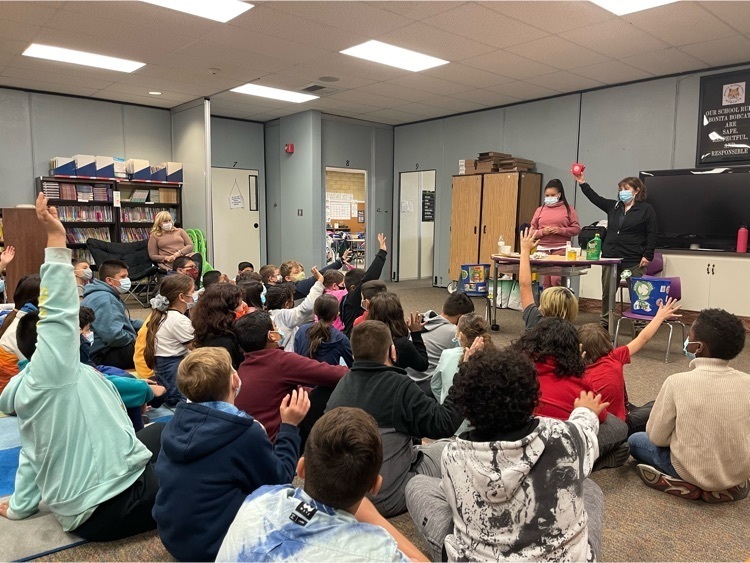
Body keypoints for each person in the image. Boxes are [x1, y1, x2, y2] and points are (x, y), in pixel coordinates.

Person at [0, 193, 163, 541]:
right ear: (49, 348)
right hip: (114, 502)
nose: (80, 329)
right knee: (206, 463)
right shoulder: (53, 373)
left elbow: (32, 457)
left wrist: (18, 508)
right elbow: (57, 314)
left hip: (84, 514)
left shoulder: (33, 387)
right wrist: (56, 240)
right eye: (77, 328)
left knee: (161, 434)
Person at [405, 347, 606, 562]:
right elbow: (585, 428)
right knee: (590, 488)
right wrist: (586, 411)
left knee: (416, 485)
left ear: (466, 406)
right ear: (531, 396)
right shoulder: (564, 436)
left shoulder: (453, 455)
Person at [153, 347, 310, 562]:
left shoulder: (173, 425)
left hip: (173, 538)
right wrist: (290, 427)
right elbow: (280, 481)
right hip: (217, 548)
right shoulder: (244, 432)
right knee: (298, 513)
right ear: (234, 380)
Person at [216, 407, 427, 562]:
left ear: (301, 468)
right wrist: (373, 517)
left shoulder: (259, 500)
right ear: (374, 486)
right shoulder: (378, 553)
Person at [326, 320, 463, 517]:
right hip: (384, 497)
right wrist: (464, 372)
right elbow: (444, 423)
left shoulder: (342, 386)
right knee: (449, 448)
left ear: (354, 354)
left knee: (418, 445)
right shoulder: (399, 386)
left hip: (344, 495)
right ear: (392, 351)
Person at [628, 308, 750, 501]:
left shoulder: (676, 382)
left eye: (689, 336)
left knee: (635, 440)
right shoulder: (747, 381)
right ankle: (729, 485)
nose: (686, 340)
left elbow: (657, 437)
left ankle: (686, 483)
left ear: (698, 347)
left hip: (690, 468)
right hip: (738, 470)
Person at [514, 316, 629, 469]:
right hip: (560, 447)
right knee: (619, 427)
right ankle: (589, 463)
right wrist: (580, 369)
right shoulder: (575, 379)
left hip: (519, 441)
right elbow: (599, 415)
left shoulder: (516, 367)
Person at [235, 311, 348, 443]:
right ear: (271, 336)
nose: (278, 329)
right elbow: (334, 374)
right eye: (275, 327)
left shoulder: (242, 369)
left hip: (255, 444)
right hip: (278, 443)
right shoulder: (280, 361)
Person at [578, 297, 681, 435]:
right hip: (620, 425)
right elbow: (643, 338)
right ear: (607, 342)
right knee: (661, 406)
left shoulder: (576, 373)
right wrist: (659, 316)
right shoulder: (615, 356)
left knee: (645, 406)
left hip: (593, 425)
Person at [574, 170, 658, 329]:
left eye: (626, 189)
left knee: (637, 292)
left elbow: (652, 233)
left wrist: (648, 255)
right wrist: (582, 183)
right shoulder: (614, 206)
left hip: (633, 260)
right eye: (620, 190)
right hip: (611, 258)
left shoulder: (646, 209)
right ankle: (605, 322)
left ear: (637, 190)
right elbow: (595, 198)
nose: (622, 193)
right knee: (608, 291)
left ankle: (639, 323)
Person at [78, 306, 165, 431]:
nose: (88, 333)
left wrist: (134, 382)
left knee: (127, 381)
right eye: (86, 330)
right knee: (139, 392)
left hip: (96, 367)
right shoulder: (105, 300)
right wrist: (141, 388)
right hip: (100, 367)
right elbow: (113, 336)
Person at [81, 260, 143, 369]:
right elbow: (115, 337)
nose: (127, 280)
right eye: (123, 277)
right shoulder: (106, 299)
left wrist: (148, 324)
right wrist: (135, 338)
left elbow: (122, 320)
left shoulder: (101, 294)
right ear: (109, 280)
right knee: (153, 347)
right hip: (102, 354)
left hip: (102, 349)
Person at [144, 274, 195, 406]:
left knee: (172, 397)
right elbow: (195, 347)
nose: (194, 296)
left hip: (164, 363)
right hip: (173, 364)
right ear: (182, 297)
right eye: (192, 292)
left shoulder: (164, 315)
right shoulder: (178, 320)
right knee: (180, 399)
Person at [406, 291, 475, 382]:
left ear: (443, 307)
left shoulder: (423, 320)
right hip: (427, 382)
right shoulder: (454, 332)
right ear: (461, 317)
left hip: (408, 378)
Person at [519, 228, 578, 332]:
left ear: (543, 308)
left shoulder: (534, 319)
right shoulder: (572, 334)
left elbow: (525, 285)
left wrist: (525, 250)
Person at [431, 313, 493, 405]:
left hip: (451, 412)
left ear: (460, 335)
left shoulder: (447, 355)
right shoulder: (495, 358)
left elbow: (435, 385)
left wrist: (443, 401)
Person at [530, 179, 581, 287]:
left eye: (552, 195)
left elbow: (576, 229)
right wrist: (542, 232)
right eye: (547, 195)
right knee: (546, 282)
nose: (549, 198)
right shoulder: (540, 210)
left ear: (559, 195)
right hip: (543, 250)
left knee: (556, 279)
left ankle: (560, 302)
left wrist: (560, 230)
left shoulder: (569, 209)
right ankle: (547, 303)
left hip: (561, 248)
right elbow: (531, 232)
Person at [368, 291, 429, 375]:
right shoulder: (401, 343)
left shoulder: (365, 337)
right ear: (399, 313)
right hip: (394, 384)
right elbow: (422, 365)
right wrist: (416, 335)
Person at [265, 267, 324, 352]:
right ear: (287, 304)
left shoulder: (268, 315)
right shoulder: (283, 316)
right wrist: (319, 282)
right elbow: (306, 308)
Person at [341, 233, 388, 336]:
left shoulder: (346, 299)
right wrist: (382, 253)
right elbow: (368, 278)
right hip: (355, 339)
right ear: (353, 288)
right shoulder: (353, 298)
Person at [0, 273, 40, 393]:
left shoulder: (19, 319)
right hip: (12, 394)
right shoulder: (22, 326)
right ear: (39, 299)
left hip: (17, 388)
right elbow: (36, 369)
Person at [191, 283, 246, 369]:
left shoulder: (209, 327)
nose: (244, 306)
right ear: (227, 311)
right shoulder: (223, 341)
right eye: (239, 304)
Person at [294, 294, 353, 367]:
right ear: (336, 315)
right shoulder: (341, 339)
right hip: (329, 377)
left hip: (302, 376)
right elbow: (352, 365)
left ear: (314, 312)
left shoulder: (302, 331)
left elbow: (296, 359)